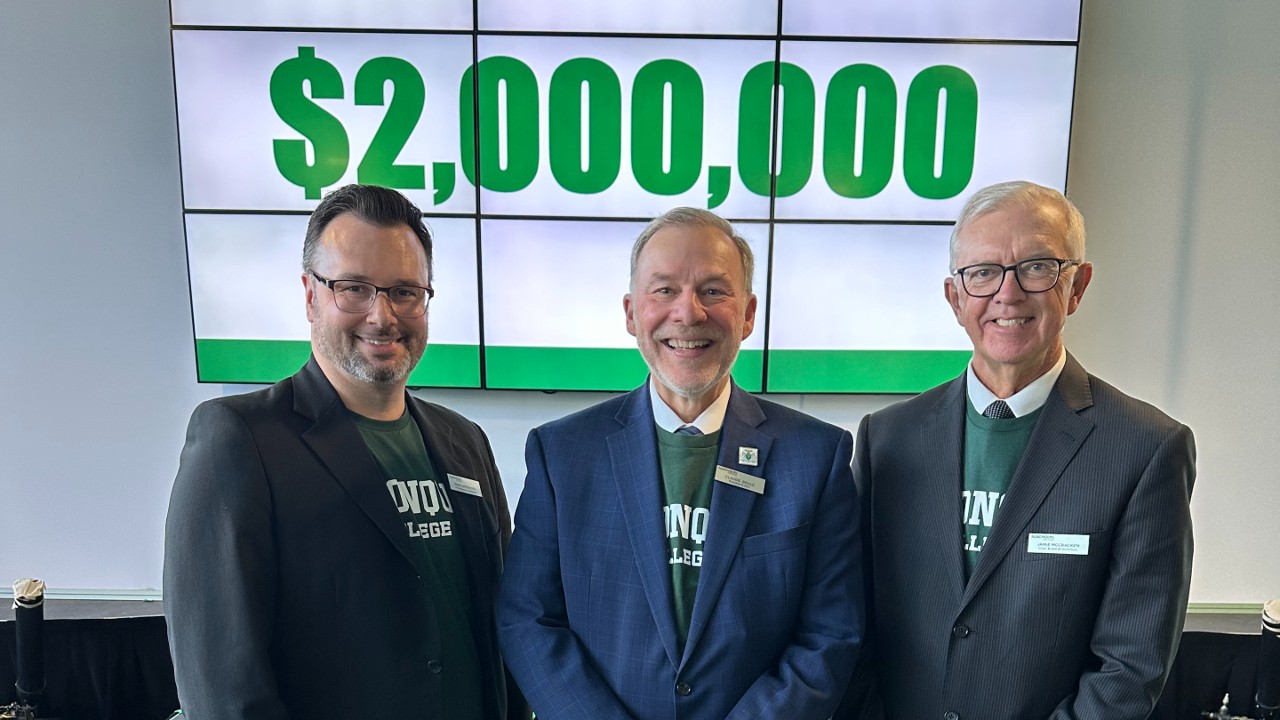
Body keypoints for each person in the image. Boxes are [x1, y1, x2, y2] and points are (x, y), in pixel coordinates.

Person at [164, 184, 525, 720]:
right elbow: (224, 689)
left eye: (405, 291)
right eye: (354, 288)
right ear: (311, 296)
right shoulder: (240, 440)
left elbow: (500, 630)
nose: (383, 316)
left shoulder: (465, 442)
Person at [839, 180, 1195, 720]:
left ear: (1076, 287)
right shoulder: (887, 440)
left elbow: (1128, 670)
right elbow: (849, 627)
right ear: (955, 298)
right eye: (982, 272)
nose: (1007, 294)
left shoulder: (1145, 450)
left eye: (1036, 267)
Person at [497, 207, 863, 719]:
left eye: (714, 290)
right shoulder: (562, 453)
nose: (688, 313)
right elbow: (527, 621)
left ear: (749, 313)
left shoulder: (817, 456)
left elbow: (830, 633)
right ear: (631, 312)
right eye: (664, 290)